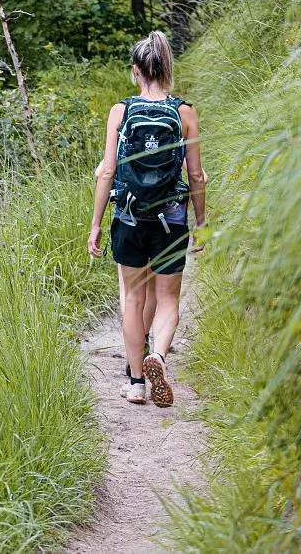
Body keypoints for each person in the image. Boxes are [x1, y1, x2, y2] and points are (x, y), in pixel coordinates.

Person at [87, 31, 207, 407]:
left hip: (129, 217)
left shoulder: (120, 112)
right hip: (171, 218)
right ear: (168, 69)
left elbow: (107, 172)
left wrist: (95, 224)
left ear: (136, 71)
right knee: (168, 298)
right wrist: (202, 223)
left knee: (133, 297)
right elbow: (197, 176)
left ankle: (136, 381)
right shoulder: (184, 112)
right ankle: (159, 355)